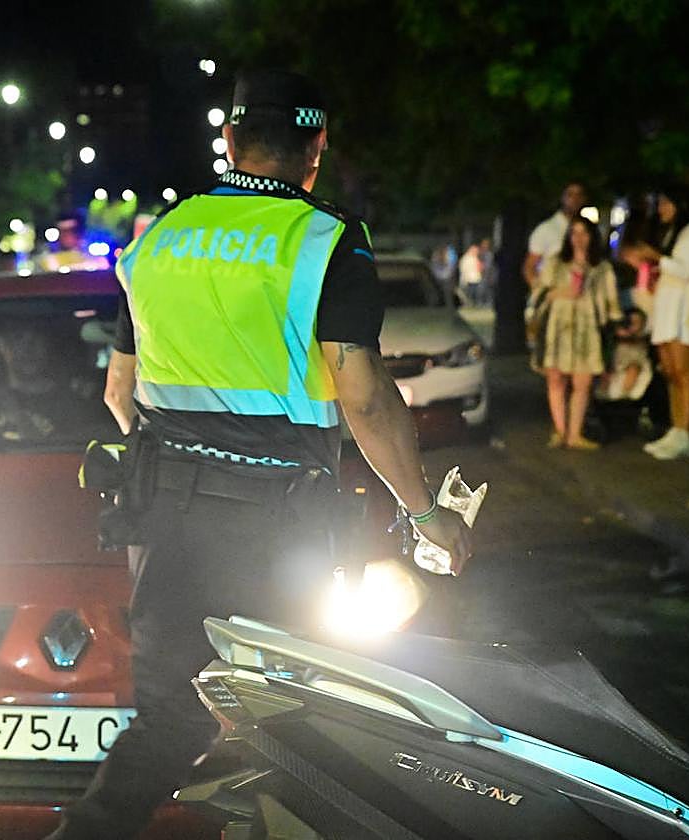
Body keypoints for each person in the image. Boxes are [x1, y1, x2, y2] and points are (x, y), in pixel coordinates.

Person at [44, 69, 471, 840]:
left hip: (166, 521)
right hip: (280, 531)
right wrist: (425, 511)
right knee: (299, 733)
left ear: (229, 141)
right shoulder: (325, 240)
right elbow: (364, 397)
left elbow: (119, 393)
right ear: (318, 148)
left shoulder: (157, 244)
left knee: (171, 725)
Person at [625, 184, 689, 460]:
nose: (662, 209)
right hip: (665, 310)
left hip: (682, 313)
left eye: (667, 204)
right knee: (670, 371)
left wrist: (656, 257)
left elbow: (686, 269)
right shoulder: (670, 233)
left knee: (684, 372)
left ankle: (686, 431)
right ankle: (675, 427)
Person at [533, 216, 621, 450]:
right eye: (574, 232)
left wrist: (614, 328)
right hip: (559, 328)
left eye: (584, 233)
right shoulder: (555, 263)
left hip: (587, 330)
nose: (579, 238)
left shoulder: (601, 268)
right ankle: (560, 431)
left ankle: (574, 433)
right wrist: (561, 292)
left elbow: (611, 304)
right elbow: (540, 294)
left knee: (582, 382)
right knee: (556, 378)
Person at [524, 181, 588, 287]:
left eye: (579, 195)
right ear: (563, 198)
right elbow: (529, 266)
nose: (575, 199)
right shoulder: (547, 229)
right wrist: (541, 293)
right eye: (570, 194)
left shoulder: (588, 230)